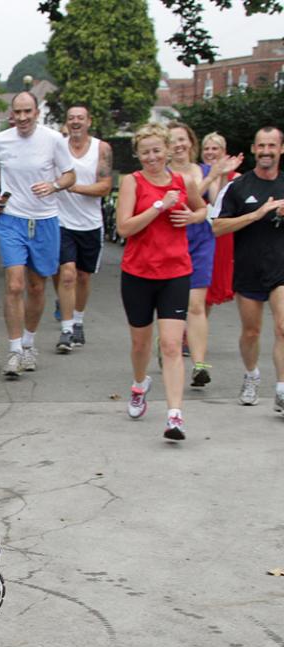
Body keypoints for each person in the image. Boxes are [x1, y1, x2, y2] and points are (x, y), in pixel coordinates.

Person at [115, 123, 208, 440]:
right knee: (140, 343)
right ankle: (139, 385)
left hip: (176, 273)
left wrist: (192, 217)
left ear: (168, 151)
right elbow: (124, 228)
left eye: (157, 150)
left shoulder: (183, 181)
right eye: (145, 152)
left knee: (170, 345)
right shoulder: (133, 182)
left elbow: (202, 208)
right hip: (138, 274)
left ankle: (174, 416)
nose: (152, 157)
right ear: (138, 155)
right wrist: (158, 206)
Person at [0, 91, 76, 377]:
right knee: (14, 284)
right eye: (18, 113)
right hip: (11, 219)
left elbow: (70, 175)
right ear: (12, 115)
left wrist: (54, 186)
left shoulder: (53, 140)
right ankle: (13, 351)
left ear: (37, 113)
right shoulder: (1, 140)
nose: (23, 117)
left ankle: (28, 343)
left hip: (45, 221)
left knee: (37, 286)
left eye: (28, 112)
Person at [211, 126, 284, 413]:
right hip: (248, 269)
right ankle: (251, 375)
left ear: (281, 149)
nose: (266, 151)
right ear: (254, 149)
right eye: (261, 146)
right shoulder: (238, 187)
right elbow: (216, 227)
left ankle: (281, 388)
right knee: (251, 332)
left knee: (282, 327)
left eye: (272, 146)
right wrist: (255, 214)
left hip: (281, 269)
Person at [167, 121, 241, 387]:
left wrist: (221, 175)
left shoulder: (206, 169)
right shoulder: (163, 174)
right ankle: (166, 342)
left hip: (201, 240)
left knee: (197, 305)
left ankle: (199, 365)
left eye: (183, 139)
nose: (179, 145)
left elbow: (217, 201)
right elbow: (182, 198)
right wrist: (211, 177)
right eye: (173, 140)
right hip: (171, 241)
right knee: (173, 306)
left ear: (191, 142)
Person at [54, 104, 113, 350]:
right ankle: (66, 330)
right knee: (67, 274)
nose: (76, 122)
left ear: (89, 121)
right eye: (71, 118)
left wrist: (71, 186)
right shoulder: (57, 146)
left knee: (83, 277)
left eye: (80, 118)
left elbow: (104, 187)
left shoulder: (102, 149)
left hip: (90, 223)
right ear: (66, 122)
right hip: (61, 221)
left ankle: (78, 320)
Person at [201, 133, 241, 310]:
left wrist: (223, 175)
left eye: (214, 148)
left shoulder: (236, 176)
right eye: (206, 148)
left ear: (224, 151)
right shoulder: (198, 172)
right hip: (197, 233)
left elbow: (220, 203)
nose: (210, 152)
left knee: (207, 294)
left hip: (220, 236)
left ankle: (190, 334)